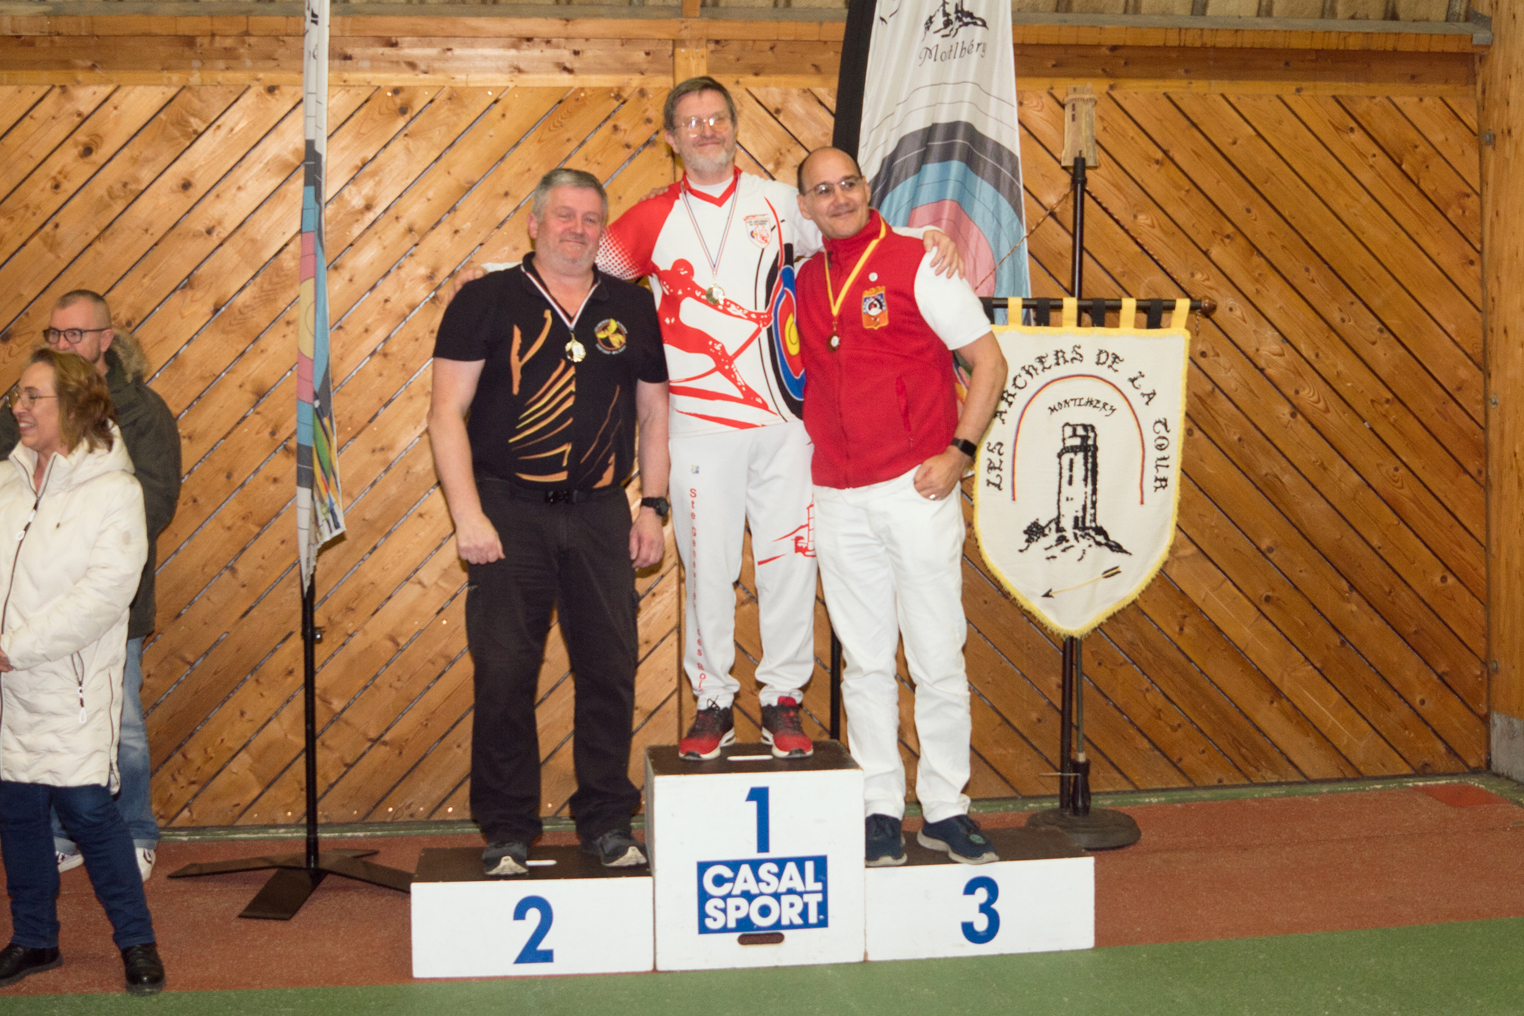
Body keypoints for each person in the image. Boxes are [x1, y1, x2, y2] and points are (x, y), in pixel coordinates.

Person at [595, 77, 963, 761]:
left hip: (786, 425)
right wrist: (501, 276)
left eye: (717, 118)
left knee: (789, 563)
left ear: (735, 126)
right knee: (706, 569)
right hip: (698, 427)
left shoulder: (777, 202)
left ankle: (782, 697)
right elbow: (576, 268)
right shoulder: (649, 219)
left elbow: (851, 228)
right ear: (671, 139)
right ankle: (712, 699)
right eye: (692, 122)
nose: (707, 130)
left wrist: (926, 235)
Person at [428, 169, 671, 876]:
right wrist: (467, 515)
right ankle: (507, 828)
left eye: (591, 219)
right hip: (508, 513)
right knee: (505, 673)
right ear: (534, 223)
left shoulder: (632, 304)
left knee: (609, 671)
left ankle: (607, 822)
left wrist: (652, 505)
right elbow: (445, 414)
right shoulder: (484, 299)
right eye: (563, 215)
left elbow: (655, 411)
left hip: (600, 513)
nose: (577, 229)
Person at [793, 147, 1009, 867]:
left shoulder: (921, 260)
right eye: (822, 190)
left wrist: (960, 451)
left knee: (936, 656)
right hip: (836, 493)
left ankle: (946, 809)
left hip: (917, 488)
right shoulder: (802, 278)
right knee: (863, 664)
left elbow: (989, 362)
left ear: (868, 187)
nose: (839, 198)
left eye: (848, 183)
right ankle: (879, 807)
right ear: (806, 206)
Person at [0, 291, 182, 882]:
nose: (62, 343)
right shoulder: (20, 407)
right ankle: (61, 835)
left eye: (74, 334)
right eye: (54, 334)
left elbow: (153, 503)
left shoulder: (143, 412)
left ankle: (135, 830)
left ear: (106, 339)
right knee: (36, 728)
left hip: (109, 601)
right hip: (26, 606)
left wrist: (72, 543)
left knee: (118, 724)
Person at [0, 348, 164, 994]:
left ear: (72, 406)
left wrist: (15, 648)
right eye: (16, 395)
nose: (18, 407)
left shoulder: (115, 492)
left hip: (71, 688)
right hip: (11, 687)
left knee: (90, 813)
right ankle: (34, 938)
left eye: (31, 396)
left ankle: (138, 943)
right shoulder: (8, 483)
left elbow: (103, 597)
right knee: (17, 813)